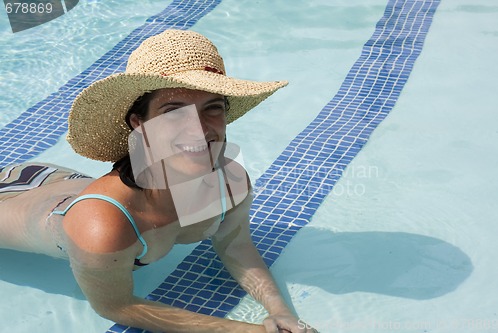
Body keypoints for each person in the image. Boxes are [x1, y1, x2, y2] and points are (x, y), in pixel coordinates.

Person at [0, 30, 318, 333]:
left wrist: (280, 312)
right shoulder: (103, 226)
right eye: (174, 111)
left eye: (212, 109)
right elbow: (117, 306)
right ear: (139, 123)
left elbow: (235, 244)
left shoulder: (227, 179)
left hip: (54, 181)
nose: (198, 129)